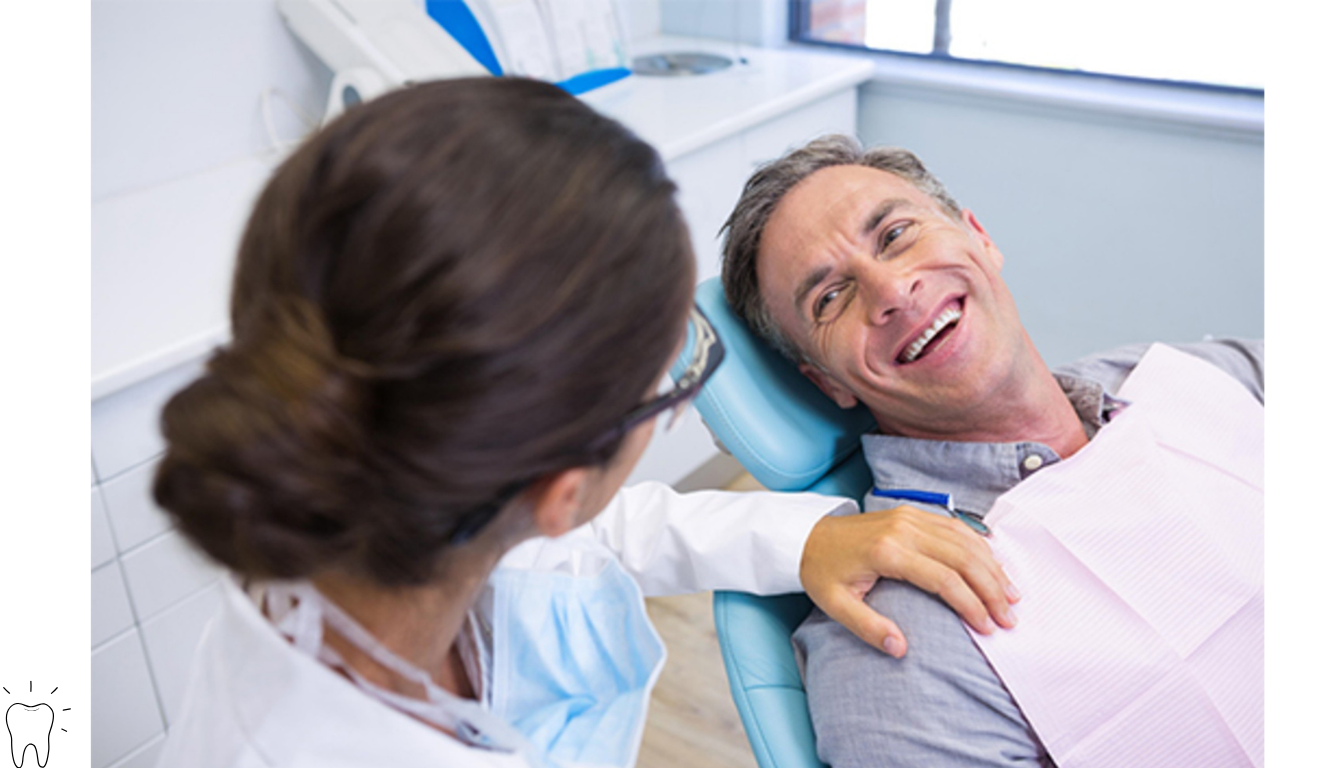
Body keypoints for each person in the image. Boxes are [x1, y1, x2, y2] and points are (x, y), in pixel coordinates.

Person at [147, 79, 1016, 768]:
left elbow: (608, 536)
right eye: (676, 364)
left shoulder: (395, 528)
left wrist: (809, 537)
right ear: (560, 490)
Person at [720, 135, 1271, 767]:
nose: (893, 290)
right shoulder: (901, 642)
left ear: (979, 237)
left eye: (897, 235)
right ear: (828, 382)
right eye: (831, 297)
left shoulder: (1176, 374)